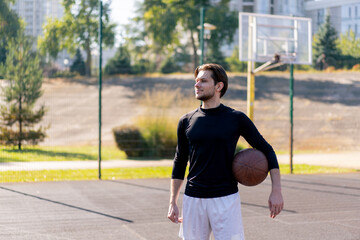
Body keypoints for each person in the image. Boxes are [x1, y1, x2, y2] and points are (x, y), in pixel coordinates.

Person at [167, 63, 284, 240]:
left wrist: (276, 190)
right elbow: (180, 161)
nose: (197, 85)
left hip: (225, 198)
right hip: (193, 198)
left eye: (203, 81)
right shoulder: (186, 120)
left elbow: (267, 150)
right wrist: (173, 202)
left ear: (218, 86)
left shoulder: (236, 118)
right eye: (196, 81)